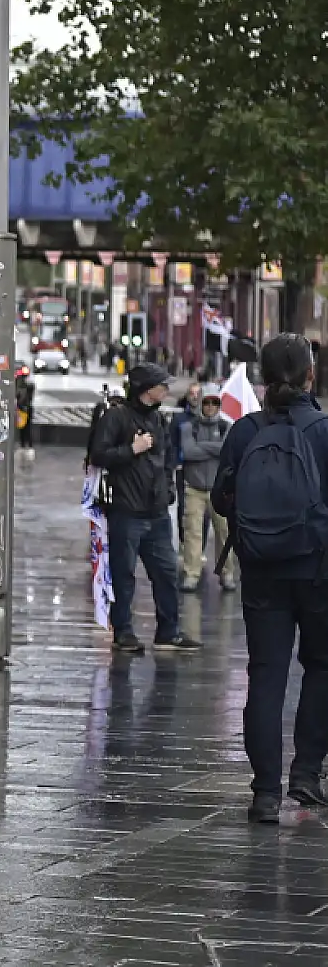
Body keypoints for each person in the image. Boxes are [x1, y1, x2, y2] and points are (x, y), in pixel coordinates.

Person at [213, 335, 328, 823]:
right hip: (319, 571)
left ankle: (264, 793)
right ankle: (305, 775)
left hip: (261, 572)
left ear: (262, 379)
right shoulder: (324, 430)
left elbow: (221, 499)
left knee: (265, 676)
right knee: (322, 670)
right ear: (309, 376)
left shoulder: (244, 431)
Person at [88, 362, 197, 655]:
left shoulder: (159, 420)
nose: (167, 390)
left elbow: (165, 459)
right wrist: (131, 450)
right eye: (162, 385)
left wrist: (169, 491)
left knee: (166, 572)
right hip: (126, 510)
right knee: (123, 574)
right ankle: (123, 631)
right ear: (147, 389)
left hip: (157, 512)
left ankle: (168, 631)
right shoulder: (117, 417)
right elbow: (98, 455)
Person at [180, 386, 236, 606]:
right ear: (201, 403)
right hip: (194, 487)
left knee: (224, 531)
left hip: (218, 488)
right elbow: (188, 452)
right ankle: (191, 573)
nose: (210, 407)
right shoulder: (189, 426)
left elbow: (226, 451)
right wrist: (213, 448)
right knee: (192, 532)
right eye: (207, 402)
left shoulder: (226, 426)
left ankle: (227, 572)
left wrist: (202, 448)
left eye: (214, 403)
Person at [172, 383, 204, 542]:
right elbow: (172, 442)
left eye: (198, 393)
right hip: (183, 468)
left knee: (202, 510)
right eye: (192, 393)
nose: (195, 396)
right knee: (184, 506)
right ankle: (184, 541)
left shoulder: (206, 418)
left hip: (203, 469)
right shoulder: (179, 418)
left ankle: (200, 546)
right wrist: (175, 463)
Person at [16, 365, 37, 464]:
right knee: (22, 428)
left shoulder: (29, 386)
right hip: (21, 409)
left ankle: (28, 446)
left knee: (27, 428)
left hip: (26, 408)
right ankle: (23, 445)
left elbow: (27, 397)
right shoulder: (19, 385)